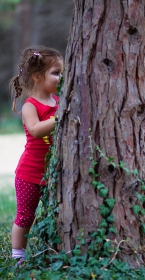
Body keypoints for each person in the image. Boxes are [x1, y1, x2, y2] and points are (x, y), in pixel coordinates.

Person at [9, 45, 64, 263]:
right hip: (29, 174)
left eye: (61, 73)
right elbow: (34, 129)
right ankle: (17, 255)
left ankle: (53, 249)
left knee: (55, 214)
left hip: (52, 173)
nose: (60, 78)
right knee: (25, 216)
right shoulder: (30, 106)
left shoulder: (59, 102)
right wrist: (58, 118)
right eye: (55, 73)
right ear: (37, 76)